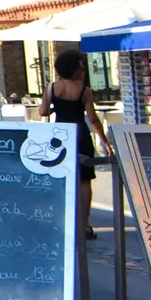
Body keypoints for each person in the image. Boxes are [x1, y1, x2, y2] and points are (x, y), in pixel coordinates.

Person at [44, 49, 108, 239]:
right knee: (85, 180)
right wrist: (104, 140)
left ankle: (63, 222)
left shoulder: (51, 88)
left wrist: (57, 106)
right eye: (80, 65)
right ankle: (85, 225)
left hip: (59, 135)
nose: (83, 68)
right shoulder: (84, 91)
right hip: (80, 134)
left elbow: (42, 111)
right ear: (74, 68)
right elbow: (93, 119)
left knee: (61, 178)